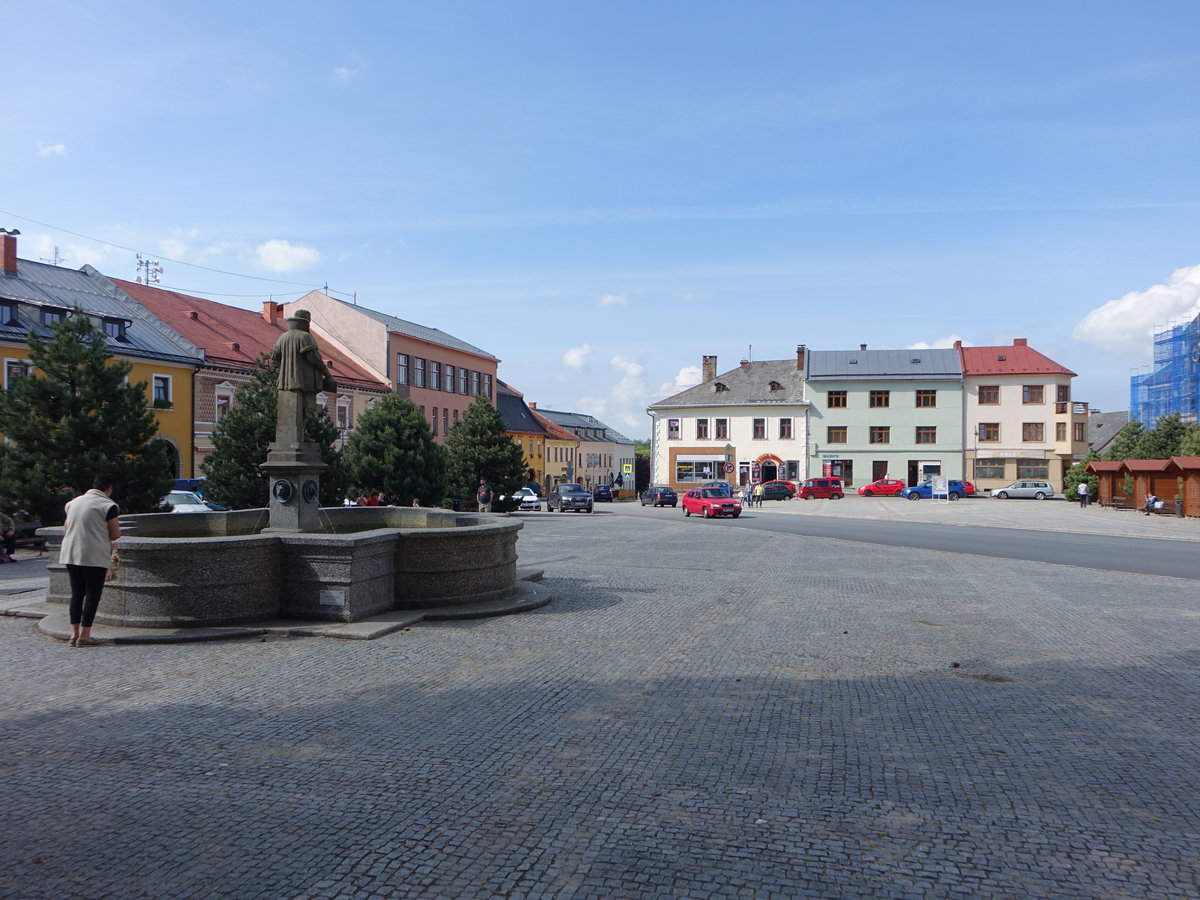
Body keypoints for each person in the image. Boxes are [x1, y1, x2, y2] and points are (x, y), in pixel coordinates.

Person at [59, 473, 122, 647]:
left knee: (77, 594)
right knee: (92, 595)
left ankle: (74, 634)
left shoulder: (72, 503)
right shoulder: (108, 506)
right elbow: (115, 534)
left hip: (70, 554)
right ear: (108, 488)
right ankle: (85, 635)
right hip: (93, 555)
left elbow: (66, 529)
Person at [270, 309, 337, 448]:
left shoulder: (283, 337)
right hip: (304, 381)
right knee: (308, 408)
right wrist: (327, 374)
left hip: (285, 382)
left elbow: (275, 358)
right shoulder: (305, 336)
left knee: (287, 410)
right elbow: (314, 358)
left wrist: (284, 370)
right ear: (306, 322)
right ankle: (301, 434)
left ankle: (294, 437)